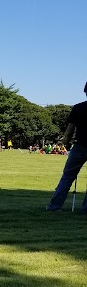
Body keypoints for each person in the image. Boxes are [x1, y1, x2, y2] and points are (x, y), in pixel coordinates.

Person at [47, 82, 87, 213]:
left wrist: (65, 142)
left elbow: (69, 131)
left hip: (80, 146)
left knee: (67, 177)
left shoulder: (78, 108)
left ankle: (54, 207)